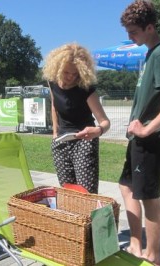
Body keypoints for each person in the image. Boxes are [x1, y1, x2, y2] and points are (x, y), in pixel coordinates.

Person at [119, 1, 160, 265]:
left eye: (134, 31)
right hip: (139, 139)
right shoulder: (150, 54)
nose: (129, 36)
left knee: (149, 197)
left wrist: (146, 128)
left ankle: (154, 257)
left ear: (150, 27)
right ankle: (136, 245)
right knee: (127, 187)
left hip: (150, 139)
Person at [42, 43, 110, 194]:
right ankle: (74, 218)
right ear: (58, 68)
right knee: (67, 191)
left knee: (86, 192)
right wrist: (54, 133)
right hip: (62, 141)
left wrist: (98, 130)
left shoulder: (85, 89)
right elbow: (54, 106)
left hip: (84, 142)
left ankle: (89, 218)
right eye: (67, 72)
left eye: (76, 73)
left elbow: (105, 122)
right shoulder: (52, 82)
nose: (71, 77)